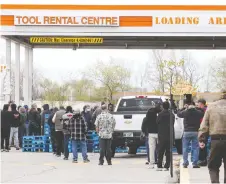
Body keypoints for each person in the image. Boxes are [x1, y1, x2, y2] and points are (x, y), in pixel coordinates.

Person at [198, 92, 226, 183]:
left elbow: (204, 125)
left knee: (213, 166)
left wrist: (202, 139)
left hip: (215, 140)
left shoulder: (211, 107)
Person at [177, 102, 204, 168]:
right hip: (195, 132)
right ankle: (195, 163)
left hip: (187, 132)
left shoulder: (185, 112)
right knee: (195, 148)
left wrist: (183, 108)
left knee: (185, 148)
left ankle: (185, 163)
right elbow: (202, 113)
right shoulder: (197, 112)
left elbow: (178, 114)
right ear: (194, 106)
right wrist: (197, 107)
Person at [141, 102, 161, 169]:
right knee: (160, 148)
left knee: (151, 149)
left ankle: (151, 163)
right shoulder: (159, 115)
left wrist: (144, 131)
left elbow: (144, 124)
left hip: (151, 133)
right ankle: (160, 161)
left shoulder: (148, 115)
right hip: (159, 133)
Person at [156, 101, 175, 171]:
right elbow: (173, 123)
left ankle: (159, 164)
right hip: (169, 135)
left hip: (162, 135)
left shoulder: (160, 114)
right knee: (168, 151)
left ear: (163, 106)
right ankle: (167, 165)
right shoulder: (172, 114)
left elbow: (157, 122)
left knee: (161, 151)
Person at [197, 99, 208, 166]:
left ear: (201, 104)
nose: (198, 106)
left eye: (198, 104)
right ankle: (203, 159)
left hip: (203, 130)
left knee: (202, 144)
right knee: (203, 144)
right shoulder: (204, 110)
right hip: (204, 129)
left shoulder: (205, 111)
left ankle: (203, 160)